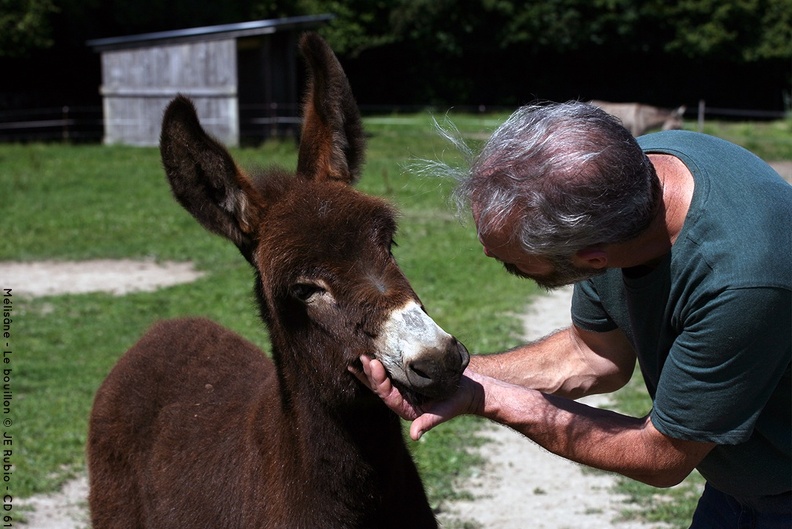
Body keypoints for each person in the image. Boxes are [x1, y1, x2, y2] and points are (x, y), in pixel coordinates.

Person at [352, 101, 791, 527]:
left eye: (515, 260)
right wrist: (454, 381)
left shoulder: (743, 281)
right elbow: (594, 355)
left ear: (593, 260)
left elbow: (661, 457)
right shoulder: (618, 176)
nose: (488, 253)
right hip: (740, 489)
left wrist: (494, 399)